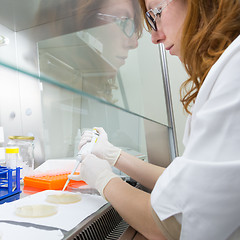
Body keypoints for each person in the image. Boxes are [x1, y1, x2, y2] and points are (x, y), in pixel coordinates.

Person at [69, 0, 240, 239]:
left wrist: (103, 179)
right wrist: (114, 155)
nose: (153, 37)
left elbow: (174, 226)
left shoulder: (234, 71)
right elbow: (189, 184)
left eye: (156, 13)